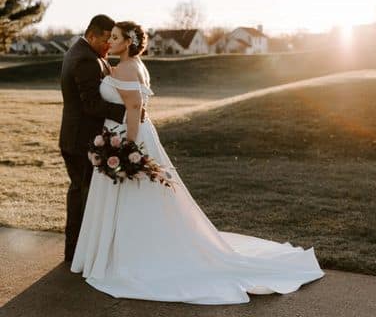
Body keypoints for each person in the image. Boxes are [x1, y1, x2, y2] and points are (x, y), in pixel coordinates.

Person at [70, 20, 324, 305]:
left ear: (127, 42)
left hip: (126, 135)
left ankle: (128, 255)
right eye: (110, 37)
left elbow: (133, 108)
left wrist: (127, 145)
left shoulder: (128, 67)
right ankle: (119, 249)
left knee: (131, 195)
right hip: (126, 131)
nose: (110, 41)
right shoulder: (131, 65)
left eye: (115, 37)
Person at [59, 14, 128, 262]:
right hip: (80, 139)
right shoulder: (84, 59)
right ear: (92, 35)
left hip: (78, 136)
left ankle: (77, 251)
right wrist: (126, 112)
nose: (109, 44)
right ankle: (75, 252)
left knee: (81, 192)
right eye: (106, 39)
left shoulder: (86, 53)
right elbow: (91, 105)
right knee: (82, 193)